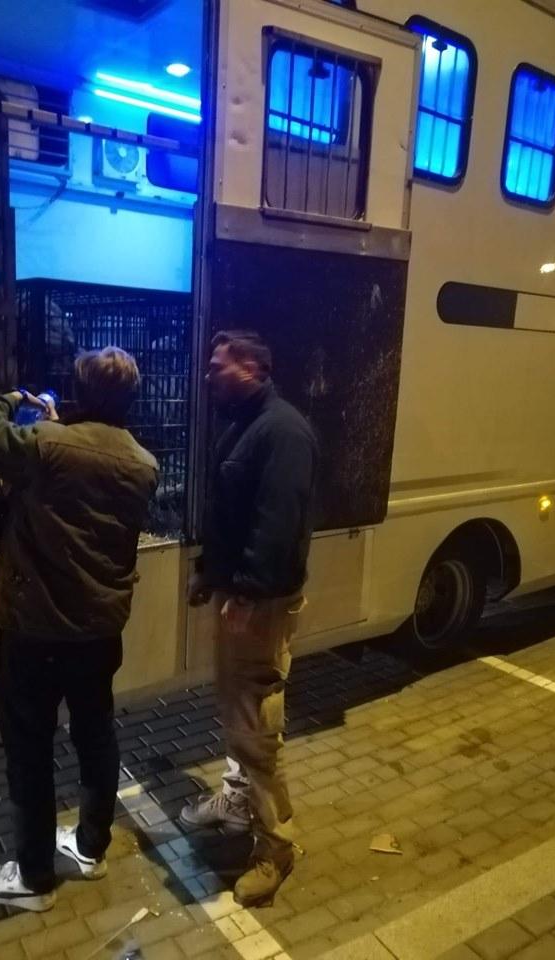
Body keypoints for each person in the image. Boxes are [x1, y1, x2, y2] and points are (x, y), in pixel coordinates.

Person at [0, 347, 157, 912]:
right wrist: (58, 426)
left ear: (79, 390)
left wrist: (17, 398)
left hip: (37, 629)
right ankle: (91, 850)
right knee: (96, 736)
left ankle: (34, 877)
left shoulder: (47, 444)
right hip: (99, 631)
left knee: (30, 750)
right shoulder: (144, 463)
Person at [180, 330, 318, 907]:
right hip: (240, 595)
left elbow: (276, 524)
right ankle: (238, 801)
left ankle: (276, 849)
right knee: (239, 716)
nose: (208, 375)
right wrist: (210, 573)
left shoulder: (281, 430)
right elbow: (230, 514)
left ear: (253, 368)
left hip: (259, 605)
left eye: (218, 366)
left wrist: (249, 592)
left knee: (257, 731)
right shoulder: (245, 423)